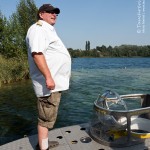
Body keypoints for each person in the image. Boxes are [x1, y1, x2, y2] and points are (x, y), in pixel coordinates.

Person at [26, 4, 71, 150]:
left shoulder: (47, 30)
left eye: (56, 13)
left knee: (49, 117)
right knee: (45, 118)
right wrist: (49, 78)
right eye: (50, 12)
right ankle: (43, 147)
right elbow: (37, 54)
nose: (54, 14)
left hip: (53, 84)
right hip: (48, 85)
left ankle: (44, 143)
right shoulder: (38, 29)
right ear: (41, 14)